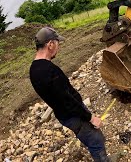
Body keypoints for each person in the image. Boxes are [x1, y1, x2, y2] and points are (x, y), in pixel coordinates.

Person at [29, 27, 120, 162]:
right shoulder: (49, 71)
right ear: (50, 44)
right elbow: (67, 101)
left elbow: (60, 97)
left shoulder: (34, 69)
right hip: (73, 115)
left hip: (63, 115)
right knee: (96, 140)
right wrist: (90, 117)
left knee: (90, 138)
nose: (58, 48)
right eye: (57, 44)